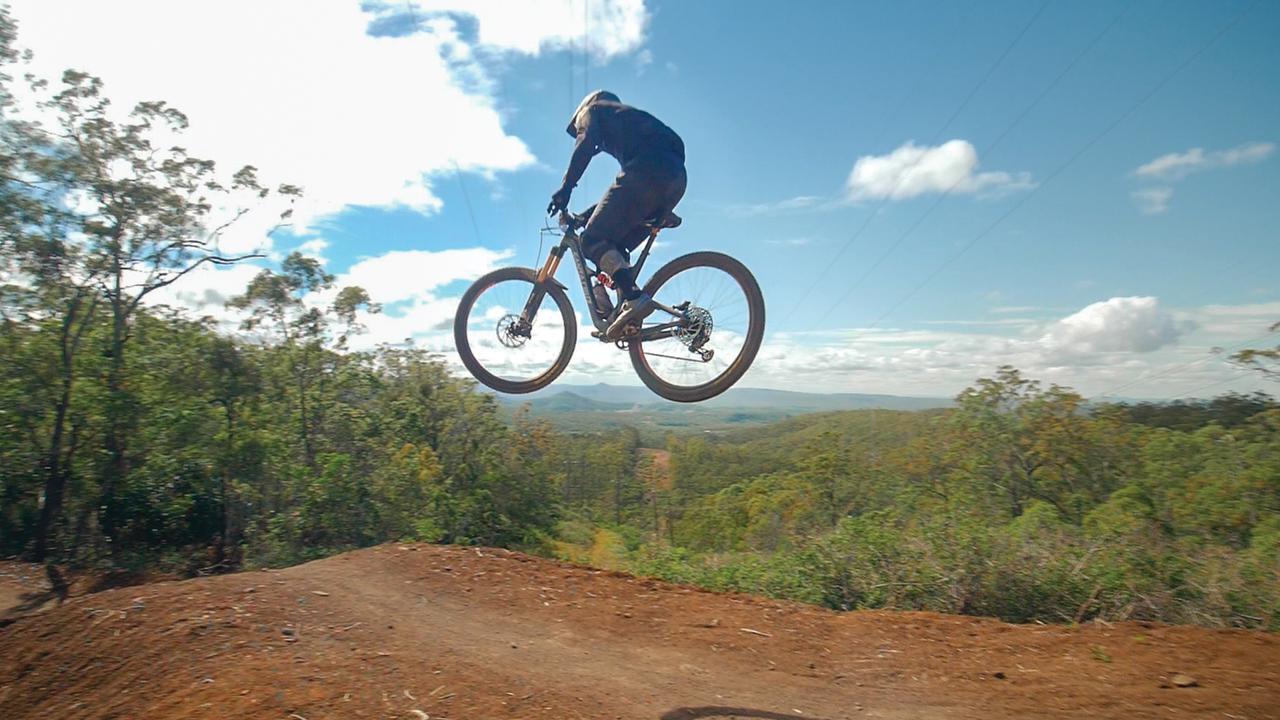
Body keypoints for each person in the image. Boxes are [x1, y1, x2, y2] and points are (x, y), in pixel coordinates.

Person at [546, 90, 687, 337]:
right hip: (674, 179)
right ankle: (626, 315)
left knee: (590, 241)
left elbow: (586, 144)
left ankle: (632, 298)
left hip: (648, 173)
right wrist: (584, 216)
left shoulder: (593, 110)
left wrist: (565, 189)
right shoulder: (632, 130)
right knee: (613, 246)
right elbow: (622, 200)